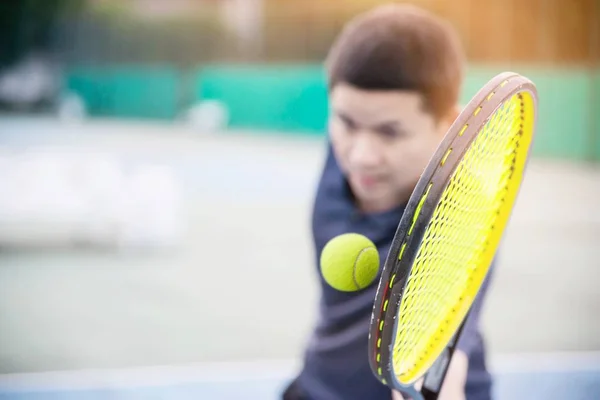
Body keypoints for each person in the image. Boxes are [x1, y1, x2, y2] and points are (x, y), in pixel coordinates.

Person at [283, 4, 494, 400]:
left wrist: (441, 386)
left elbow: (445, 366)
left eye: (390, 132)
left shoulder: (462, 223)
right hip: (319, 385)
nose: (361, 155)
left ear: (449, 125)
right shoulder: (346, 151)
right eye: (345, 123)